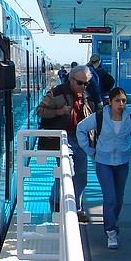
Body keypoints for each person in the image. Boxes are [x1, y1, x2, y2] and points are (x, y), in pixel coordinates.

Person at [76, 86, 131, 250]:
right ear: (110, 102)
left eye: (123, 101)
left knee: (119, 198)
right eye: (117, 101)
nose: (121, 104)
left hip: (122, 163)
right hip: (103, 162)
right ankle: (111, 231)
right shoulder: (100, 117)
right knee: (110, 198)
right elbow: (80, 128)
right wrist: (89, 150)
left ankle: (112, 221)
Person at [37, 65, 97, 222]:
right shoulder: (57, 92)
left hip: (82, 139)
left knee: (81, 175)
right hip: (63, 138)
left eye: (86, 83)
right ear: (71, 80)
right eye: (80, 83)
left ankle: (76, 208)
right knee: (66, 172)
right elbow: (40, 110)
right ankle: (58, 205)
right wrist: (58, 112)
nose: (83, 86)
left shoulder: (87, 95)